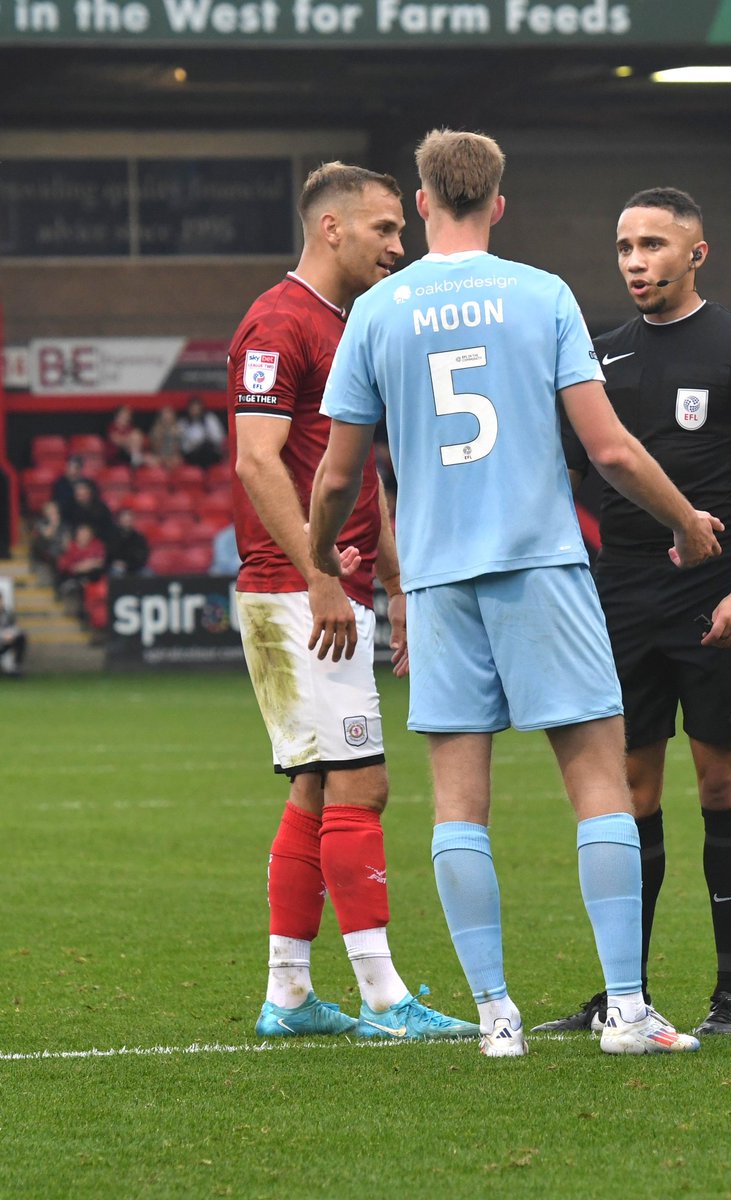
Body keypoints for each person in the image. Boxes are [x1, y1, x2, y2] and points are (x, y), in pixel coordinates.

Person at [310, 130, 724, 1058]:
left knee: (459, 804)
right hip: (541, 567)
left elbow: (339, 477)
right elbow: (610, 449)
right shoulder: (542, 296)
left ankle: (496, 1017)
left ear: (420, 204)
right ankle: (625, 1009)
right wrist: (686, 523)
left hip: (439, 579)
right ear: (498, 204)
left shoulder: (378, 310)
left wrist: (315, 553)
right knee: (595, 781)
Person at [540, 186, 731, 1039]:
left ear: (695, 252)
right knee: (630, 791)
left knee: (722, 780)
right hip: (618, 593)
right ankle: (627, 994)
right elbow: (560, 482)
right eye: (623, 246)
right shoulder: (595, 355)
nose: (633, 261)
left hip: (711, 592)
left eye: (651, 245)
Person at [228, 160, 478, 1042]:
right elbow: (257, 460)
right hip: (296, 593)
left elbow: (358, 473)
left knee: (314, 792)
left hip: (330, 590)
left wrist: (396, 581)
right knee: (362, 786)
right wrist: (323, 576)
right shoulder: (277, 320)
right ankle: (382, 996)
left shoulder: (347, 324)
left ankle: (289, 996)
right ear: (331, 227)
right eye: (384, 229)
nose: (398, 245)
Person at [179, 395, 227, 468]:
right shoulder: (183, 423)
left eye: (197, 408)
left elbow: (219, 438)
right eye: (193, 408)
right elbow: (183, 446)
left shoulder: (210, 419)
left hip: (209, 452)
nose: (195, 410)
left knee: (206, 450)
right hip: (192, 455)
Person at [106, 508, 150, 576]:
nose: (127, 521)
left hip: (135, 567)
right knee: (116, 572)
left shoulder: (139, 538)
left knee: (148, 574)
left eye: (129, 520)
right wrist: (115, 563)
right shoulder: (111, 536)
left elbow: (142, 556)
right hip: (116, 567)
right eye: (124, 519)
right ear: (119, 520)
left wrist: (128, 565)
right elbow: (109, 554)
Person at [0, 591, 27, 678]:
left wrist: (11, 634)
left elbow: (14, 627)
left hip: (6, 642)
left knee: (21, 637)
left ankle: (16, 667)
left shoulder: (7, 614)